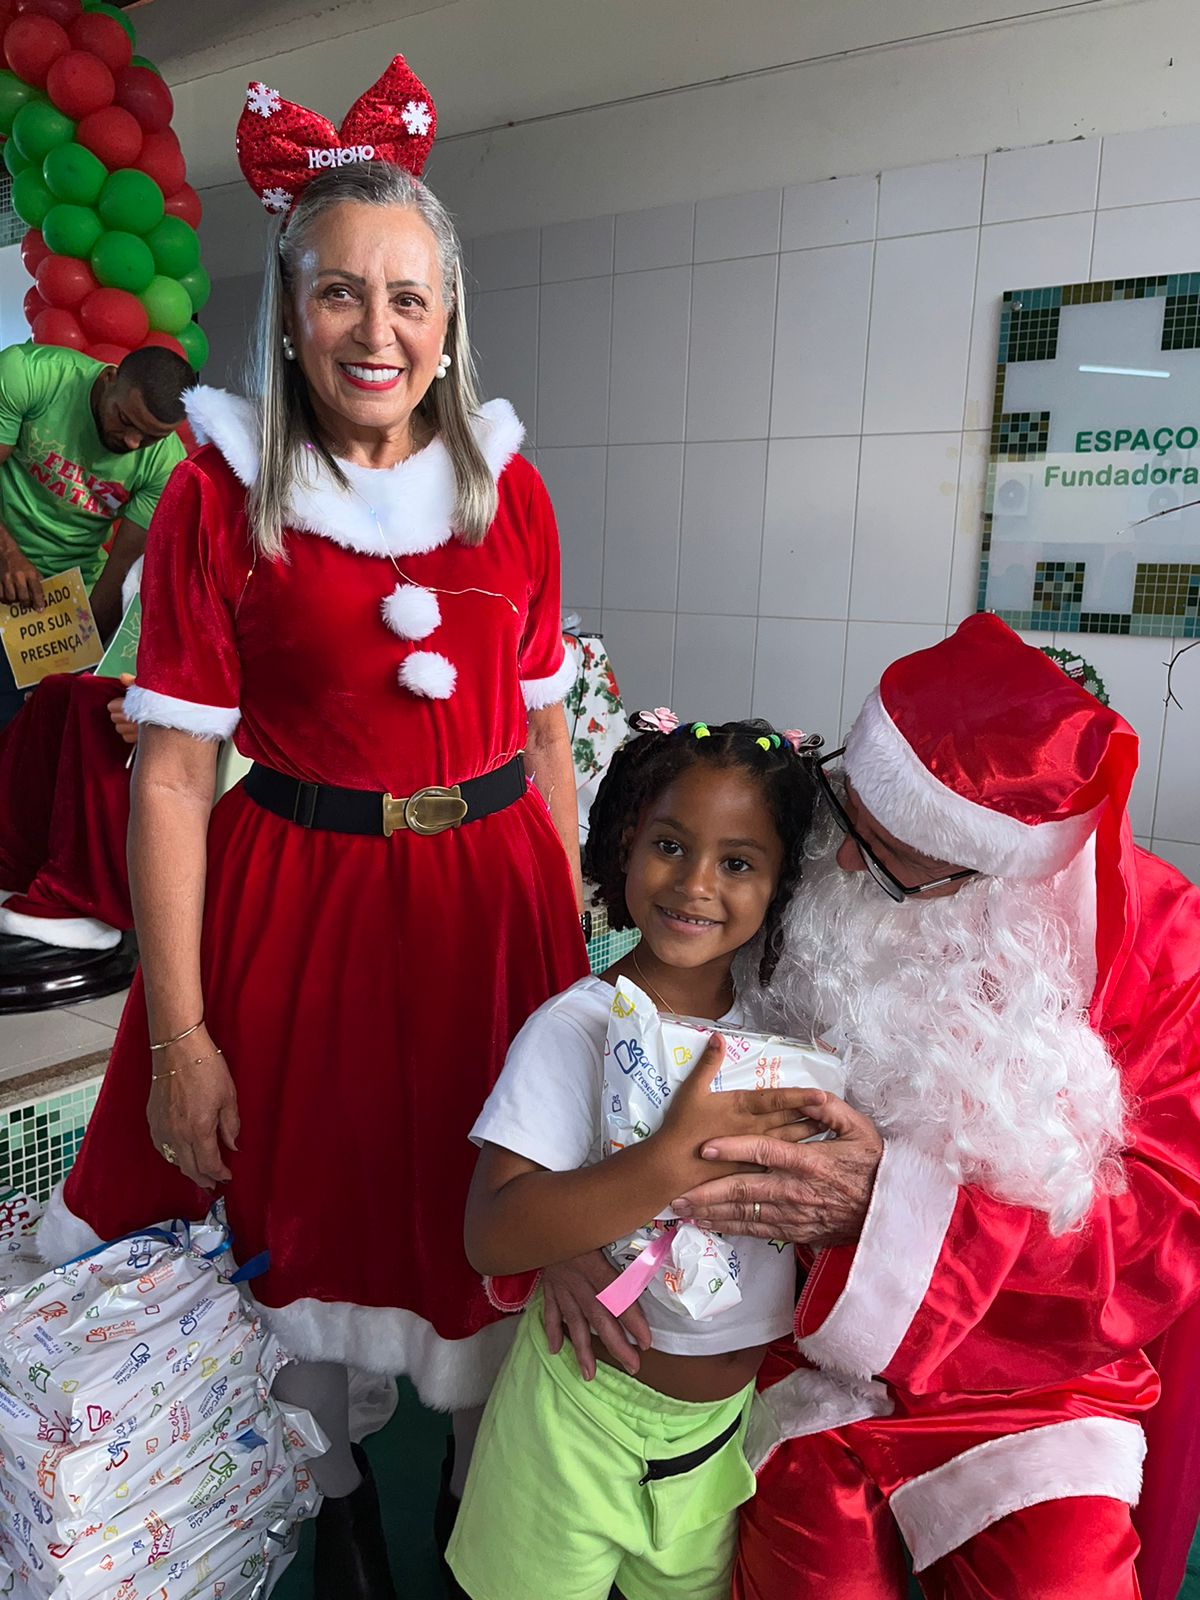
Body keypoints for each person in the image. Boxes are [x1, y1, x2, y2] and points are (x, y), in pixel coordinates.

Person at [36, 55, 586, 1600]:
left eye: (409, 296)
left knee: (488, 1201)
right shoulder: (217, 499)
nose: (377, 329)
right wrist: (180, 1036)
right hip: (300, 903)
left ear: (450, 318)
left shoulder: (513, 494)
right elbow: (167, 779)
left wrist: (567, 968)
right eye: (340, 292)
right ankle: (336, 1493)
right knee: (309, 1209)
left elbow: (546, 736)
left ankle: (478, 1494)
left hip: (490, 909)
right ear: (288, 313)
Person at [638, 613, 1200, 1598]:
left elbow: (1163, 1241)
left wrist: (883, 1212)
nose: (847, 865)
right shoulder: (811, 856)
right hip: (802, 1352)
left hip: (1033, 1389)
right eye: (851, 811)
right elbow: (649, 1037)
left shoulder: (1159, 943)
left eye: (896, 857)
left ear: (998, 872)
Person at [448, 715, 820, 1600]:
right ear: (624, 845)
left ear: (782, 885)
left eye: (738, 862)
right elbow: (491, 1234)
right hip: (576, 1416)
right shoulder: (575, 1029)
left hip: (718, 1437)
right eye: (670, 845)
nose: (695, 884)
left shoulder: (788, 1038)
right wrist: (664, 1164)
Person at [0, 343, 190, 724]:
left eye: (151, 437)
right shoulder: (30, 375)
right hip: (5, 552)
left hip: (62, 599)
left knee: (33, 724)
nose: (133, 442)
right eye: (126, 420)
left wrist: (70, 660)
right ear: (110, 378)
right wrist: (7, 555)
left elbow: (121, 568)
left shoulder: (167, 465)